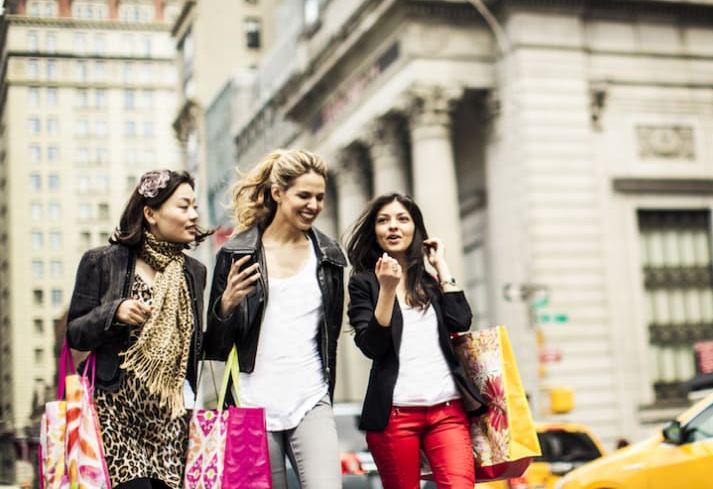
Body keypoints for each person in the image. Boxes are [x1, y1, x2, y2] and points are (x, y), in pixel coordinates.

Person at [203, 149, 347, 489]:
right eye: (304, 195)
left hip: (311, 398)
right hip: (252, 405)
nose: (313, 204)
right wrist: (226, 305)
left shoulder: (328, 256)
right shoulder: (236, 253)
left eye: (319, 197)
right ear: (277, 193)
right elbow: (215, 348)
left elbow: (332, 335)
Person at [66, 169, 210, 489]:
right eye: (183, 206)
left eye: (195, 207)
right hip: (115, 414)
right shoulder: (102, 262)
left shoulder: (194, 273)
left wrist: (226, 308)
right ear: (150, 213)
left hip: (170, 420)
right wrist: (113, 312)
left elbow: (197, 345)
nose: (194, 215)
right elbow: (75, 332)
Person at [345, 193, 487, 489]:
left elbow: (461, 320)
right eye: (383, 221)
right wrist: (387, 290)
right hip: (395, 417)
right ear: (375, 232)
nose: (393, 227)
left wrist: (441, 267)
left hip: (447, 411)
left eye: (402, 219)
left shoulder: (429, 283)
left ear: (415, 229)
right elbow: (372, 346)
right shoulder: (363, 284)